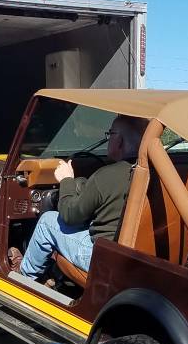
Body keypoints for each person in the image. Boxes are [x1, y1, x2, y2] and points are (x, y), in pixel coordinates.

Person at [14, 115, 146, 281]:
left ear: (119, 140)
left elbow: (70, 216)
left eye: (110, 134)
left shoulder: (108, 175)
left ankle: (25, 277)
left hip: (102, 258)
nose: (108, 139)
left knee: (47, 221)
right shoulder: (153, 174)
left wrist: (66, 180)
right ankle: (55, 277)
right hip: (139, 255)